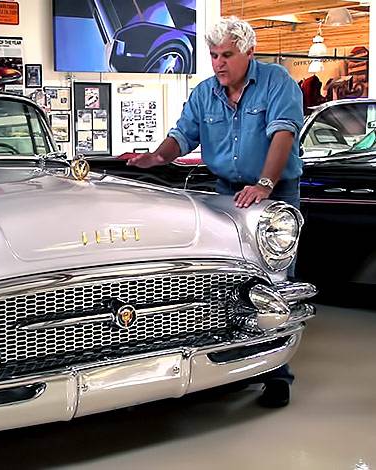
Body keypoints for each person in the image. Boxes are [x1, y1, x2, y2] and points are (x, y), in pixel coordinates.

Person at [118, 17, 303, 408]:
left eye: (227, 55)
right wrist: (153, 158)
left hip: (273, 193)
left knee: (274, 280)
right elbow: (182, 136)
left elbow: (282, 134)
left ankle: (276, 374)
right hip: (225, 194)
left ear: (249, 53)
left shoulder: (277, 83)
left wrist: (265, 185)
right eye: (214, 55)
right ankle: (232, 361)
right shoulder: (205, 93)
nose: (218, 63)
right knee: (228, 281)